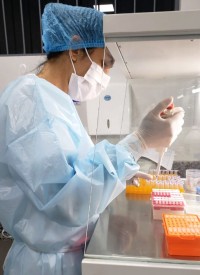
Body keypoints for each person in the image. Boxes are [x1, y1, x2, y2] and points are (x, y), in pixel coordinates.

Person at [0, 3, 184, 275]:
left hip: (65, 256)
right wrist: (138, 142)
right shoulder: (29, 99)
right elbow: (65, 200)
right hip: (46, 266)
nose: (106, 75)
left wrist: (119, 178)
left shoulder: (58, 101)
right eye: (104, 63)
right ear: (75, 49)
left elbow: (77, 172)